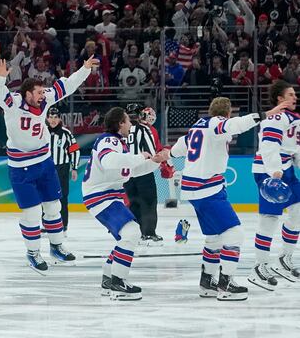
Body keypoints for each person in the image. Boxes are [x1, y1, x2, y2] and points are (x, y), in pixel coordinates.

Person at [0, 56, 98, 273]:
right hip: (20, 167)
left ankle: (56, 246)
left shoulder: (45, 98)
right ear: (27, 94)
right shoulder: (14, 103)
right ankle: (33, 253)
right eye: (38, 93)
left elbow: (68, 85)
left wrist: (84, 69)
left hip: (44, 162)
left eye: (42, 92)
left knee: (53, 207)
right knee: (31, 213)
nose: (42, 96)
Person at [170, 97, 288, 301]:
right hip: (207, 187)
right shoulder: (217, 123)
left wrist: (164, 158)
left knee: (215, 238)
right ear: (227, 113)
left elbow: (175, 150)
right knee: (235, 234)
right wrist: (267, 114)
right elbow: (237, 125)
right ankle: (226, 284)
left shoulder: (196, 128)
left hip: (194, 189)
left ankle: (207, 283)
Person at [83, 107, 169, 300]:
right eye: (128, 121)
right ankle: (118, 283)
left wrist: (155, 161)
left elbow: (130, 172)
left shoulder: (119, 143)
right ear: (120, 123)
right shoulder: (109, 140)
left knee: (128, 235)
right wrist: (140, 156)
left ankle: (109, 278)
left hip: (108, 196)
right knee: (131, 233)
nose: (131, 124)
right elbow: (109, 162)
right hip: (100, 195)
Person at [249, 80, 300, 290]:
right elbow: (269, 146)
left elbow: (294, 150)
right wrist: (275, 172)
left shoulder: (294, 118)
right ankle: (259, 266)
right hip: (268, 171)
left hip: (286, 169)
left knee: (297, 211)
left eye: (295, 94)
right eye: (290, 94)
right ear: (279, 99)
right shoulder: (276, 117)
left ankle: (284, 258)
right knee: (269, 218)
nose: (295, 97)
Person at [123, 103, 163, 245]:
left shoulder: (121, 130)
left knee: (133, 203)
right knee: (149, 203)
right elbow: (152, 152)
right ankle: (149, 234)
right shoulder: (143, 128)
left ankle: (137, 234)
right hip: (143, 171)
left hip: (126, 173)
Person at [46, 107, 80, 231]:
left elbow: (74, 151)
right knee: (46, 197)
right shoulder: (42, 132)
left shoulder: (66, 133)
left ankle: (63, 224)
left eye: (55, 117)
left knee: (62, 197)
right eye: (51, 117)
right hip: (46, 169)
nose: (53, 120)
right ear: (47, 118)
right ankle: (48, 224)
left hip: (62, 169)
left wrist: (75, 168)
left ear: (60, 118)